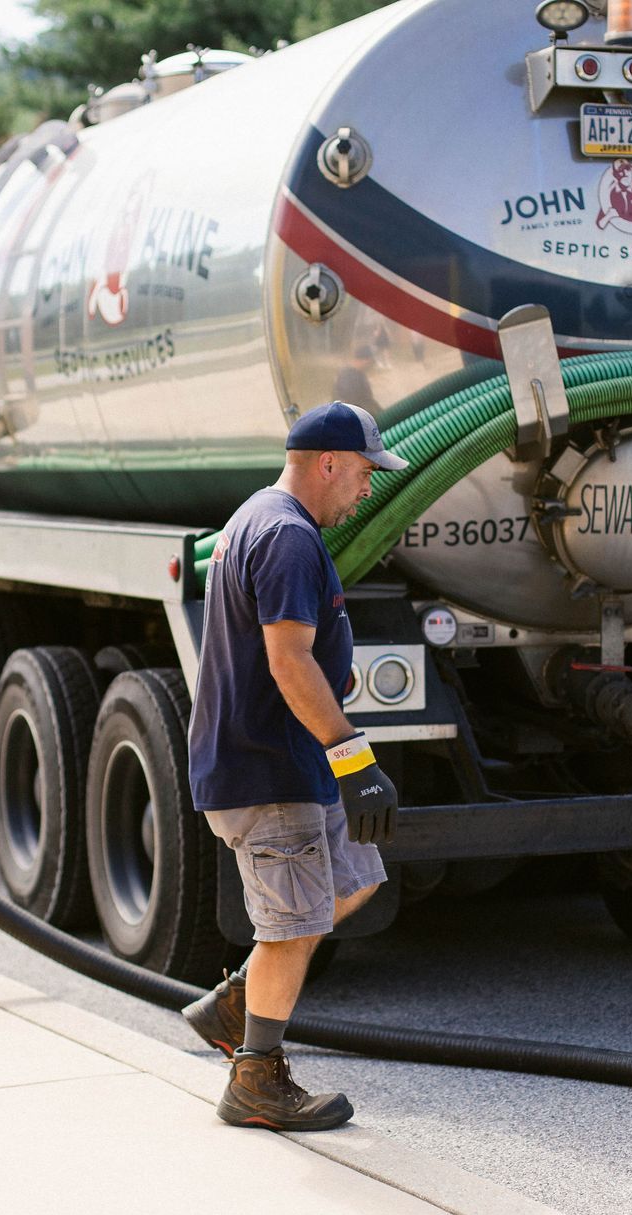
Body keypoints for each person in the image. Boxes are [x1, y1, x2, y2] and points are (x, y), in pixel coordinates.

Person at [182, 402, 405, 1130]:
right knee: (289, 926)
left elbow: (280, 655)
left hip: (283, 757)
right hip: (267, 766)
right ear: (330, 462)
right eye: (366, 473)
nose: (367, 490)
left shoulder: (261, 518)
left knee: (355, 877)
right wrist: (354, 755)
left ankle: (239, 998)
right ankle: (257, 1080)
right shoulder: (284, 536)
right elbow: (286, 660)